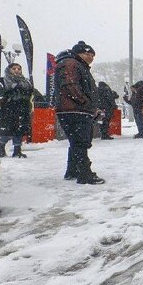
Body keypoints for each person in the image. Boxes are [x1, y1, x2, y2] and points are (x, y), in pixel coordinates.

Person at [54, 41, 105, 184]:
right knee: (80, 142)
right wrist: (86, 104)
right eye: (87, 54)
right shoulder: (71, 63)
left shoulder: (77, 65)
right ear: (78, 53)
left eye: (92, 55)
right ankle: (84, 174)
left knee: (76, 142)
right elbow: (71, 86)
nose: (90, 57)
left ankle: (72, 171)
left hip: (75, 109)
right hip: (74, 110)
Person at [0, 63, 33, 158]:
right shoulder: (3, 80)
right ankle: (0, 147)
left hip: (22, 109)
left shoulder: (26, 81)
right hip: (9, 109)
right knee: (6, 130)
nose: (17, 70)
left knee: (19, 129)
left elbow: (30, 93)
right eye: (14, 68)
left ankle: (17, 150)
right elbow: (0, 94)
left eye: (19, 69)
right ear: (9, 70)